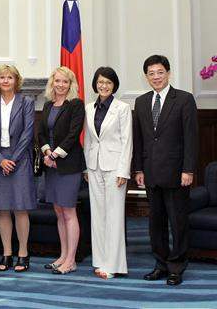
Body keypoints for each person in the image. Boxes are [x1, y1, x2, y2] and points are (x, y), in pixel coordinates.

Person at [133, 55, 198, 286]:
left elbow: (191, 138)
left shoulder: (184, 99)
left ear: (168, 73)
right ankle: (160, 265)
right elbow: (139, 139)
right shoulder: (141, 102)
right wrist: (138, 169)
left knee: (178, 222)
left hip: (177, 173)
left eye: (160, 72)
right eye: (151, 73)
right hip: (150, 172)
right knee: (156, 223)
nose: (156, 77)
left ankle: (176, 267)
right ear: (146, 77)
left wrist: (188, 169)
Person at [83, 67, 132, 279]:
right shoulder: (88, 108)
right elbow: (88, 140)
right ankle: (100, 261)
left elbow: (127, 141)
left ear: (114, 85)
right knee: (98, 215)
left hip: (115, 168)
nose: (104, 86)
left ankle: (113, 265)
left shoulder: (122, 108)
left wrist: (124, 170)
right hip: (94, 166)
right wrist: (86, 167)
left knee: (114, 216)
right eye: (100, 82)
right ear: (95, 84)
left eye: (108, 82)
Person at [0, 65, 36, 272]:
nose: (6, 81)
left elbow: (28, 134)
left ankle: (23, 254)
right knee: (3, 208)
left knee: (20, 208)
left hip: (20, 161)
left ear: (16, 80)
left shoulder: (26, 102)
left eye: (10, 77)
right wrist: (0, 160)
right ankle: (7, 253)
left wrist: (13, 160)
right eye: (2, 77)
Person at [37, 66, 85, 275]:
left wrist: (55, 156)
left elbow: (74, 134)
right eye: (57, 81)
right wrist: (47, 152)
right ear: (52, 82)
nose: (61, 85)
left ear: (71, 84)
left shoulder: (76, 105)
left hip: (69, 166)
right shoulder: (48, 105)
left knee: (69, 211)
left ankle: (71, 260)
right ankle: (63, 256)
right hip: (51, 166)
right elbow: (41, 133)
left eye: (65, 81)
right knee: (58, 211)